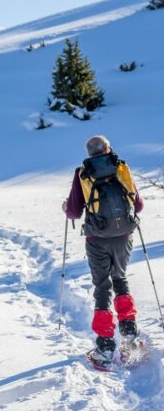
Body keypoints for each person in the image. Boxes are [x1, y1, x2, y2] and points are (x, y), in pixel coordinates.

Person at [62, 135, 144, 364]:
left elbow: (74, 212)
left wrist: (66, 208)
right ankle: (130, 333)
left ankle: (106, 346)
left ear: (89, 154)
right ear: (108, 148)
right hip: (124, 236)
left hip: (97, 238)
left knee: (102, 286)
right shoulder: (120, 167)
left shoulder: (83, 173)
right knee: (120, 279)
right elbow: (138, 205)